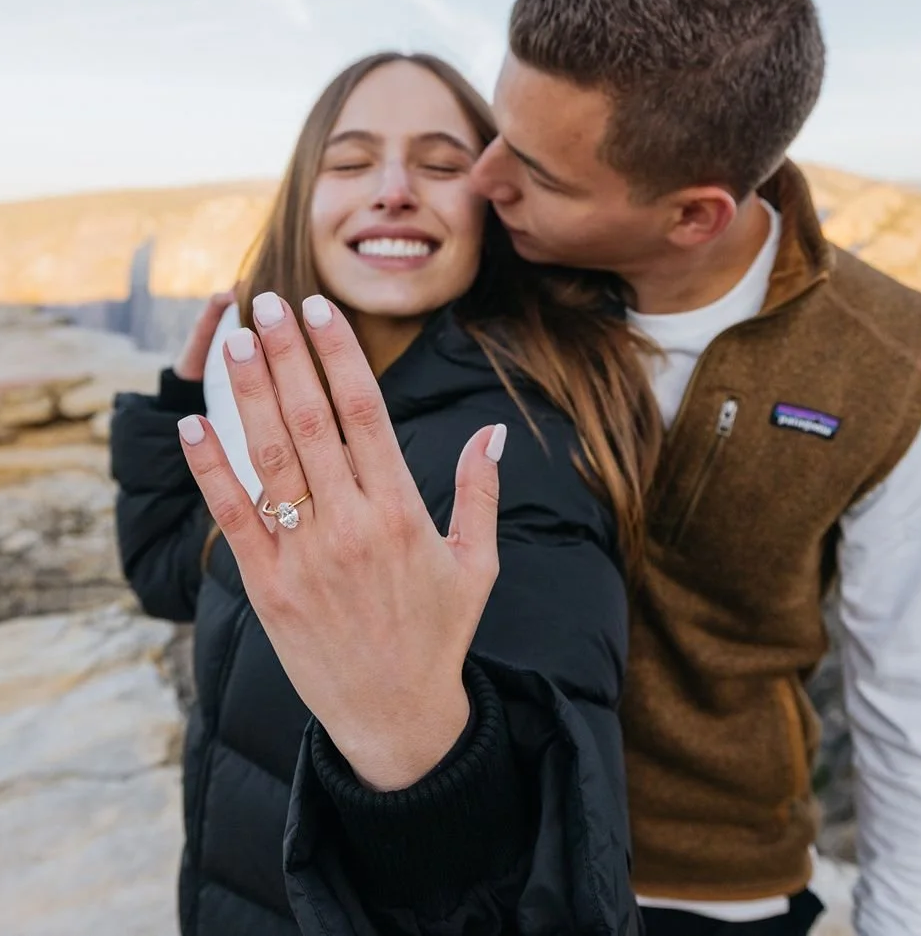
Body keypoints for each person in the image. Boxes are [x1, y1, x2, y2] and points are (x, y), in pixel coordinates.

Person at [191, 0, 921, 936]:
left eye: (535, 172)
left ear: (692, 214)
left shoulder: (891, 374)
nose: (484, 183)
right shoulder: (491, 273)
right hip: (459, 859)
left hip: (700, 894)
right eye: (497, 135)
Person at [109, 51, 660, 935]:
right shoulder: (303, 412)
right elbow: (172, 574)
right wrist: (175, 413)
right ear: (303, 199)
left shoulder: (511, 456)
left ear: (493, 205)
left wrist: (415, 748)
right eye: (352, 160)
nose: (395, 189)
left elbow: (556, 886)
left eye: (442, 164)